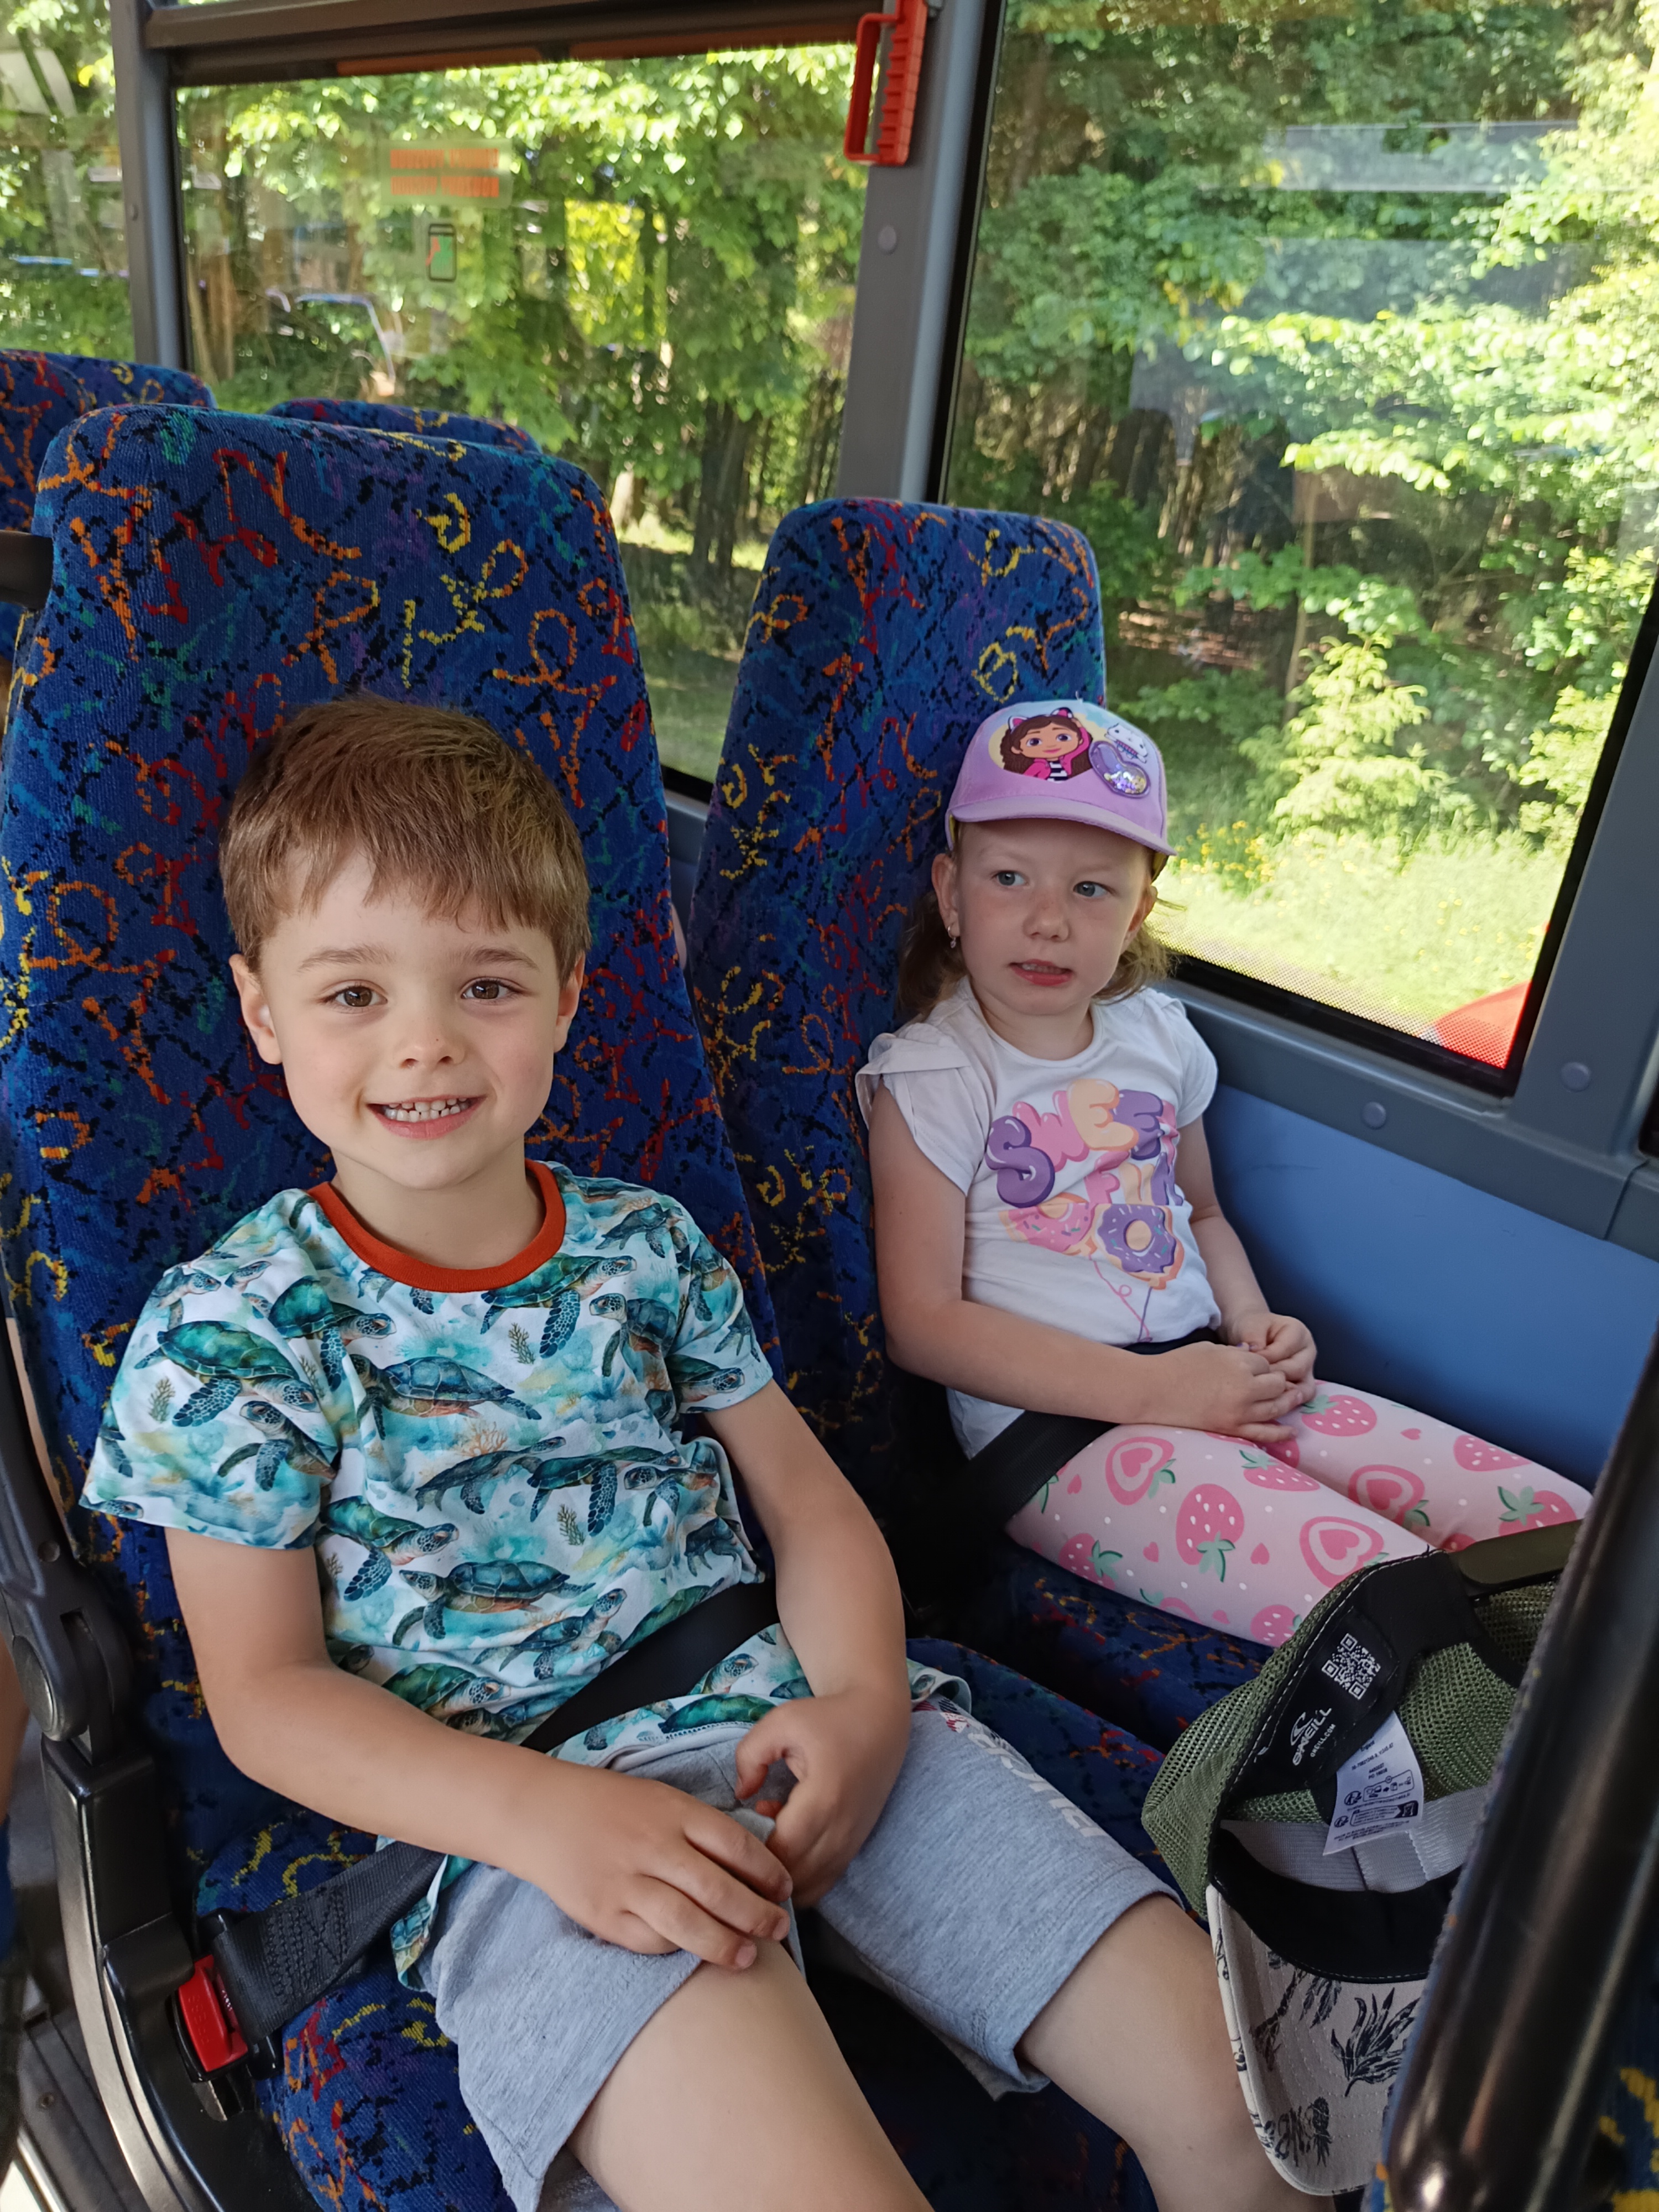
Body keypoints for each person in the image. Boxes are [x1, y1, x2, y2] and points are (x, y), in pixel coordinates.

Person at [83, 695, 1319, 2212]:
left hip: (799, 1713)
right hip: (523, 1832)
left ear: (566, 996)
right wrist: (541, 1819)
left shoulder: (645, 1245)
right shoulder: (231, 1328)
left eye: (487, 984)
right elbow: (266, 1694)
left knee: (1254, 2112)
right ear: (262, 1010)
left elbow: (808, 1504)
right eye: (352, 992)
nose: (423, 1041)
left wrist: (865, 1705)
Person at [862, 700, 1591, 1649]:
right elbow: (923, 1323)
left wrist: (1250, 1320)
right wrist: (1158, 1395)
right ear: (952, 896)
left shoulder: (1158, 1038)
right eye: (1009, 879)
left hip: (1208, 1370)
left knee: (1566, 1531)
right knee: (1407, 1608)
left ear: (1137, 913)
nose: (1048, 921)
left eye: (1091, 890)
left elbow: (1199, 1211)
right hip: (1056, 1438)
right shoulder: (937, 1074)